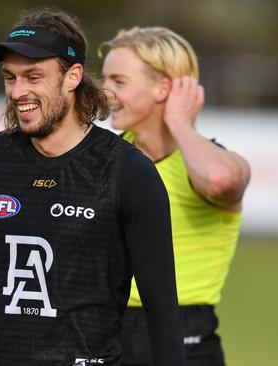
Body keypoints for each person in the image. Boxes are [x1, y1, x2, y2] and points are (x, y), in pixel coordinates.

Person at [0, 7, 186, 366]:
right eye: (10, 78)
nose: (17, 91)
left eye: (33, 76)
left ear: (72, 77)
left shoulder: (128, 171)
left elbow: (162, 310)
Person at [99, 27, 251, 365]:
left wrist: (180, 122)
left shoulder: (208, 162)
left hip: (187, 342)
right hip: (106, 336)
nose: (105, 91)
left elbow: (220, 180)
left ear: (163, 87)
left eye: (119, 81)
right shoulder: (104, 156)